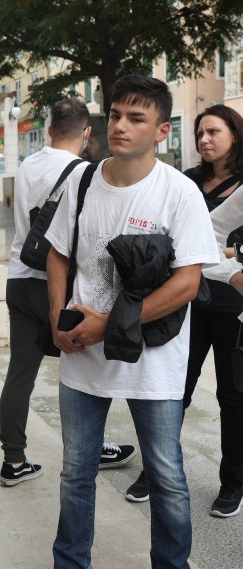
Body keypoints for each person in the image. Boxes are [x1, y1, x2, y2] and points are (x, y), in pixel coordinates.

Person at [46, 75, 218, 568]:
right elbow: (58, 254)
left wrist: (111, 324)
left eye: (136, 118)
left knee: (165, 473)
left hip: (155, 358)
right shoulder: (81, 179)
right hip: (81, 353)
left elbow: (187, 283)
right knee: (75, 471)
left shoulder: (179, 192)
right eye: (116, 115)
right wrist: (60, 317)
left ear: (162, 130)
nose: (120, 126)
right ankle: (70, 562)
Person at [0, 98, 136, 486]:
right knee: (87, 371)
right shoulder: (85, 172)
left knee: (20, 373)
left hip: (19, 276)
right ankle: (95, 446)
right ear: (87, 132)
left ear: (48, 130)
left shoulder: (27, 165)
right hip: (60, 283)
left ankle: (13, 458)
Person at [125, 104, 243, 517]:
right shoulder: (186, 181)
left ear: (234, 135)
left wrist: (220, 251)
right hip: (186, 300)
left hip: (231, 303)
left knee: (234, 397)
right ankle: (154, 473)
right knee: (175, 389)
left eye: (213, 132)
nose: (204, 140)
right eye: (199, 133)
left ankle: (232, 484)